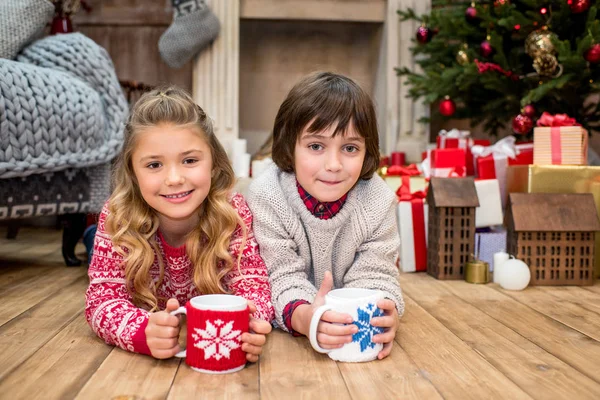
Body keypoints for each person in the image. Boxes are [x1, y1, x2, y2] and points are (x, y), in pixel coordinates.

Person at [85, 86, 274, 362]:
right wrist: (142, 331)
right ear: (133, 173)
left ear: (213, 164)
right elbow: (101, 300)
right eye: (154, 165)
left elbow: (254, 284)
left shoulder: (232, 212)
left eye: (189, 160)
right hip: (119, 240)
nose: (174, 178)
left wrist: (250, 320)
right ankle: (91, 237)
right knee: (95, 244)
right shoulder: (117, 217)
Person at [246, 71, 404, 360]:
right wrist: (308, 318)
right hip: (290, 338)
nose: (333, 164)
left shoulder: (378, 199)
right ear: (289, 146)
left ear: (367, 151)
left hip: (351, 332)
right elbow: (281, 276)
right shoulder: (268, 195)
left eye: (350, 148)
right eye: (316, 146)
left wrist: (383, 310)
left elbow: (377, 274)